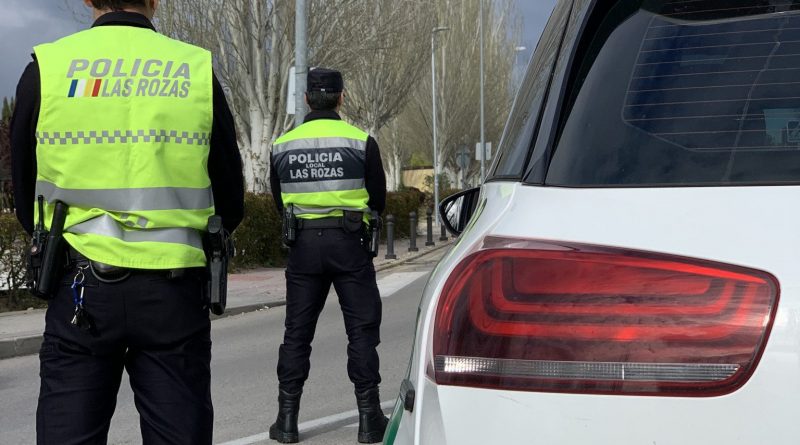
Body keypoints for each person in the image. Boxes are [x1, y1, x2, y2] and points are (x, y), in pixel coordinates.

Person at [10, 1, 244, 444]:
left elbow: (25, 196)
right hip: (174, 295)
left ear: (87, 0)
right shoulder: (195, 70)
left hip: (78, 287)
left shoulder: (48, 67)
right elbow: (230, 198)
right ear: (154, 1)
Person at [268, 67, 388, 444]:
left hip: (302, 247)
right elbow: (378, 199)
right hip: (349, 243)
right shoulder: (360, 141)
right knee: (362, 332)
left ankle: (286, 421)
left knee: (296, 335)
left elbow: (277, 199)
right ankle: (369, 420)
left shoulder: (282, 145)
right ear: (342, 97)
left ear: (306, 99)